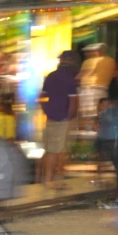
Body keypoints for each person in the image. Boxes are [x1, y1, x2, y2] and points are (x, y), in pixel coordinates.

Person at [40, 51, 78, 187]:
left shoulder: (50, 76)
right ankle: (53, 179)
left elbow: (41, 97)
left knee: (51, 149)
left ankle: (50, 178)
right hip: (63, 118)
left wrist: (47, 110)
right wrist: (70, 115)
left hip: (51, 117)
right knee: (58, 149)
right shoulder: (69, 78)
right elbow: (73, 100)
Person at [96, 79, 118, 197]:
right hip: (117, 138)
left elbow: (103, 119)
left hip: (105, 137)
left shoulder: (109, 105)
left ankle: (104, 187)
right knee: (116, 165)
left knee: (103, 162)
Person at [78, 43, 116, 122]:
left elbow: (84, 74)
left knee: (88, 113)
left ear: (98, 51)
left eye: (89, 51)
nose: (86, 54)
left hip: (89, 90)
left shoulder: (90, 61)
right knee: (100, 111)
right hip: (103, 89)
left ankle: (89, 128)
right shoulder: (111, 61)